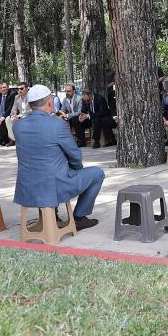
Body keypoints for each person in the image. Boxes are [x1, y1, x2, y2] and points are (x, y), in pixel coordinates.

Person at [13, 85, 104, 231]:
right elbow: (74, 155)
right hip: (55, 186)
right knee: (97, 173)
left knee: (45, 168)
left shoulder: (17, 126)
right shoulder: (57, 124)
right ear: (49, 102)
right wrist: (76, 170)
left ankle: (52, 216)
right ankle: (79, 217)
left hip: (27, 186)